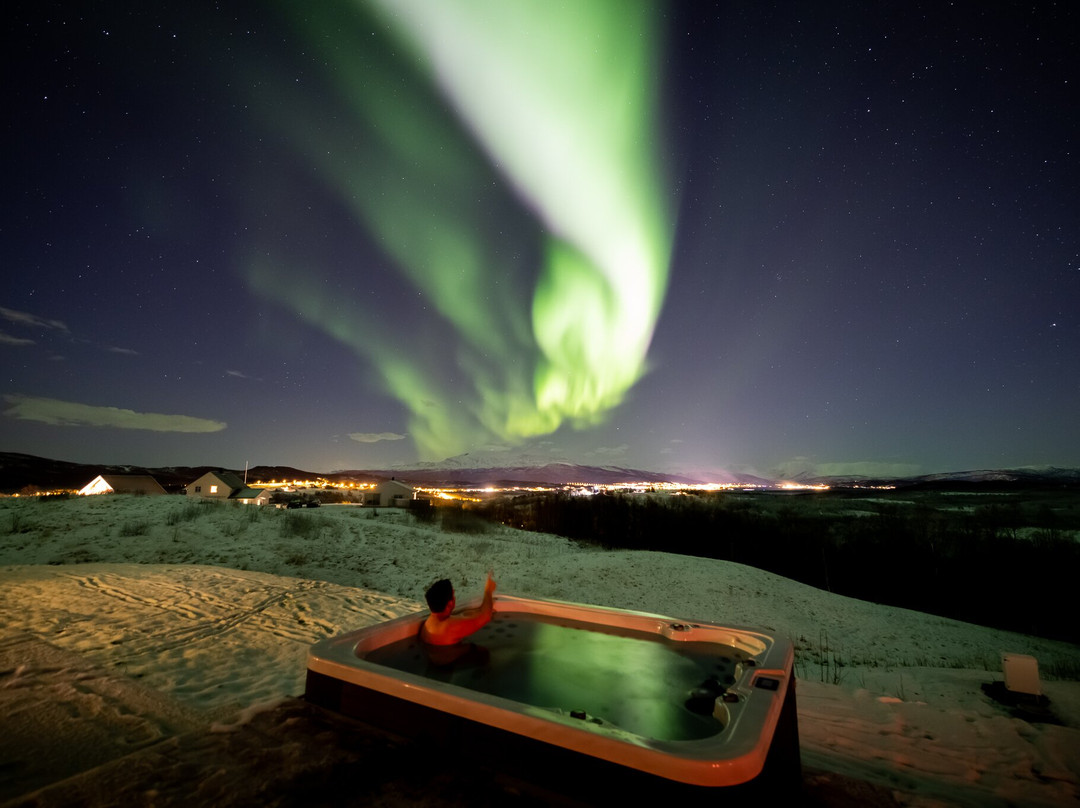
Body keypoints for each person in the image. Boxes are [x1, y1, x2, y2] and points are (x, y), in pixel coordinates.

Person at [420, 572, 497, 646]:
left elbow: (460, 617)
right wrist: (488, 590)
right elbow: (486, 616)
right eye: (453, 595)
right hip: (457, 658)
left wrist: (479, 610)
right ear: (450, 603)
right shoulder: (448, 626)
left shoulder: (428, 624)